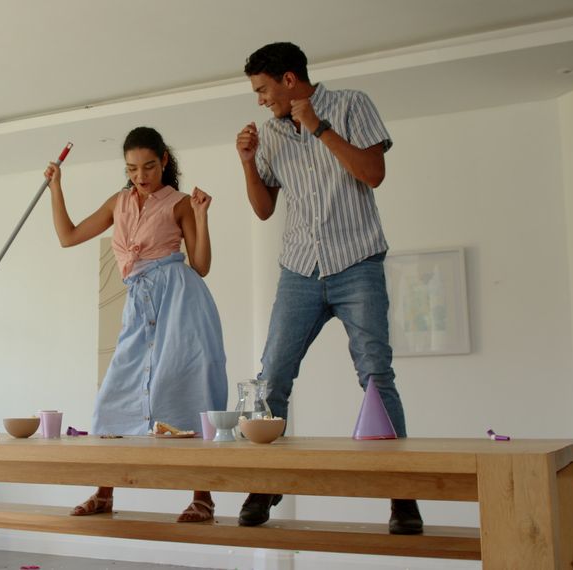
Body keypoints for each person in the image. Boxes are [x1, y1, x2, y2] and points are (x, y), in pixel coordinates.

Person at [234, 42, 423, 535]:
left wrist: (319, 127)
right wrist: (248, 162)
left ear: (290, 79)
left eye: (263, 89)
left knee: (376, 376)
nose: (259, 100)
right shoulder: (271, 134)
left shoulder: (352, 105)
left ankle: (403, 498)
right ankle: (264, 481)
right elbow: (263, 210)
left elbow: (373, 174)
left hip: (356, 262)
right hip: (298, 270)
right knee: (272, 377)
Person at [45, 126, 227, 523]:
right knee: (115, 394)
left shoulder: (179, 203)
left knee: (188, 389)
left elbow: (201, 265)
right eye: (132, 169)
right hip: (139, 302)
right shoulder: (119, 202)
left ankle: (203, 498)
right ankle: (105, 492)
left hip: (180, 300)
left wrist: (201, 216)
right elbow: (68, 235)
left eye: (148, 166)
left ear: (163, 161)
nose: (141, 176)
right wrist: (56, 188)